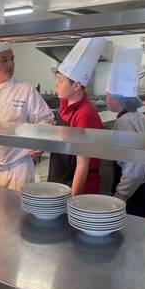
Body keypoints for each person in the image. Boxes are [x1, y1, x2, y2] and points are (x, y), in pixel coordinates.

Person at [0, 5, 54, 191]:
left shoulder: (25, 90)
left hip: (18, 171)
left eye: (12, 59)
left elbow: (45, 119)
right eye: (4, 60)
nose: (11, 64)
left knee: (19, 219)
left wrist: (39, 139)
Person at [105, 46, 145, 218]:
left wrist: (119, 198)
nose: (106, 98)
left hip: (137, 194)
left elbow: (134, 170)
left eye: (108, 95)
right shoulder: (138, 116)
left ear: (119, 99)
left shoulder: (123, 122)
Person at [47, 38, 105, 195]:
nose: (56, 85)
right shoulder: (64, 105)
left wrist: (72, 199)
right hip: (61, 179)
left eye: (60, 80)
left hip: (79, 186)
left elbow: (82, 165)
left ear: (77, 85)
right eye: (56, 80)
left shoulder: (85, 115)